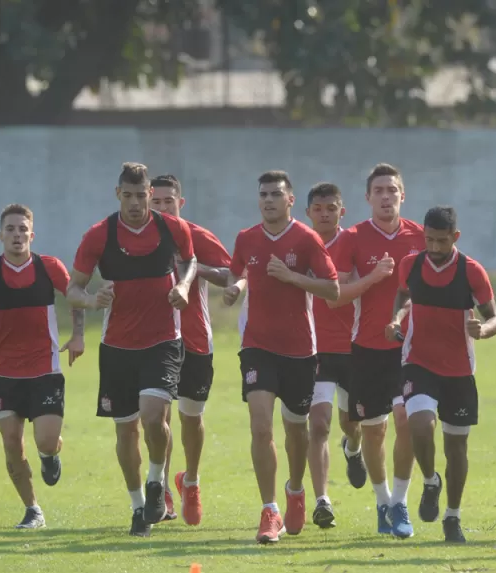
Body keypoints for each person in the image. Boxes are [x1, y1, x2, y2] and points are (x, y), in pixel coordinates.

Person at [67, 162, 198, 538]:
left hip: (162, 340)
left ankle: (156, 479)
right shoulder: (99, 235)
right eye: (130, 196)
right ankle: (139, 506)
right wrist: (93, 301)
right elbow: (74, 288)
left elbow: (189, 262)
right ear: (117, 195)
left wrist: (185, 286)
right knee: (125, 432)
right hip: (117, 347)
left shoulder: (172, 227)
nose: (138, 203)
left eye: (143, 196)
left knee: (154, 417)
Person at [222, 171, 340, 544]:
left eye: (276, 194)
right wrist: (234, 288)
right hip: (257, 346)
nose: (269, 200)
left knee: (295, 430)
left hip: (300, 351)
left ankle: (295, 490)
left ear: (290, 201)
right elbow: (237, 272)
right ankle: (269, 510)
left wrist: (292, 277)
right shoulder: (246, 238)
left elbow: (333, 289)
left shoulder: (306, 239)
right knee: (260, 425)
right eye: (263, 194)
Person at [0, 204, 85, 529]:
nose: (17, 235)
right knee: (12, 441)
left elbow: (75, 296)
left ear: (32, 234)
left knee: (45, 441)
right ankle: (33, 510)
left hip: (45, 370)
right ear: (1, 234)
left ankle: (49, 455)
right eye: (11, 229)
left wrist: (79, 336)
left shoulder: (49, 267)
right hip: (3, 373)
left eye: (22, 229)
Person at [388, 206, 496, 543]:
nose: (434, 247)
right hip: (418, 362)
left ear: (456, 237)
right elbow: (402, 296)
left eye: (441, 241)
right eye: (429, 240)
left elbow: (495, 318)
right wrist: (395, 319)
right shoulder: (411, 265)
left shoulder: (472, 272)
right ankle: (429, 480)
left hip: (459, 369)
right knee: (419, 425)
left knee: (456, 448)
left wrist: (482, 330)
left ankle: (452, 516)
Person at [330, 163, 426, 538]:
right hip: (367, 348)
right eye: (379, 191)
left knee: (406, 422)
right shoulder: (351, 238)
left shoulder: (421, 238)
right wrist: (372, 278)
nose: (386, 197)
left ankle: (400, 503)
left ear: (403, 195)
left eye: (393, 190)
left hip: (410, 350)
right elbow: (336, 296)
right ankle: (382, 502)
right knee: (373, 431)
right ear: (368, 198)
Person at [149, 174, 233, 527]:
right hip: (153, 340)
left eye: (170, 201)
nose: (164, 207)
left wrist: (196, 268)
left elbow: (231, 273)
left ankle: (191, 481)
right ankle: (162, 488)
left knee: (191, 417)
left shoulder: (196, 235)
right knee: (158, 417)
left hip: (196, 338)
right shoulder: (139, 239)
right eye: (157, 202)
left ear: (180, 204)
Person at [303, 182, 389, 529]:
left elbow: (343, 293)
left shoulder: (353, 242)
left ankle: (352, 449)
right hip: (313, 348)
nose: (324, 214)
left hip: (354, 348)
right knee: (318, 424)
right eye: (318, 209)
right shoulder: (298, 243)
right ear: (307, 212)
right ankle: (322, 500)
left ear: (342, 211)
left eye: (331, 208)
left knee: (351, 425)